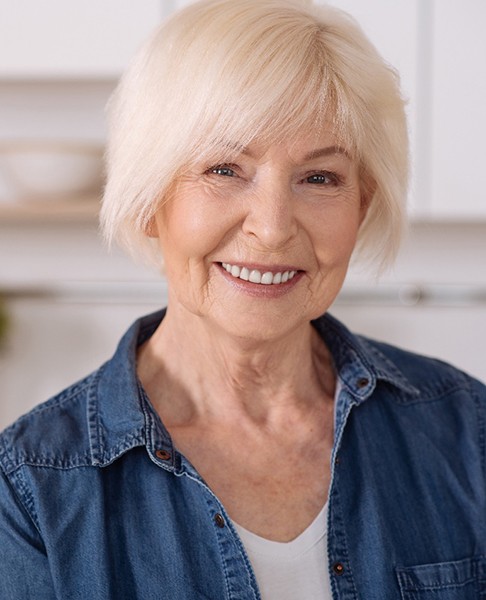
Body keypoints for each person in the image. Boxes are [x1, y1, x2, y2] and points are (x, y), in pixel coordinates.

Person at [1, 0, 485, 598]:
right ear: (151, 198)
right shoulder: (30, 490)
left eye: (320, 178)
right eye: (226, 169)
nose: (274, 227)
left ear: (362, 205)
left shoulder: (468, 432)